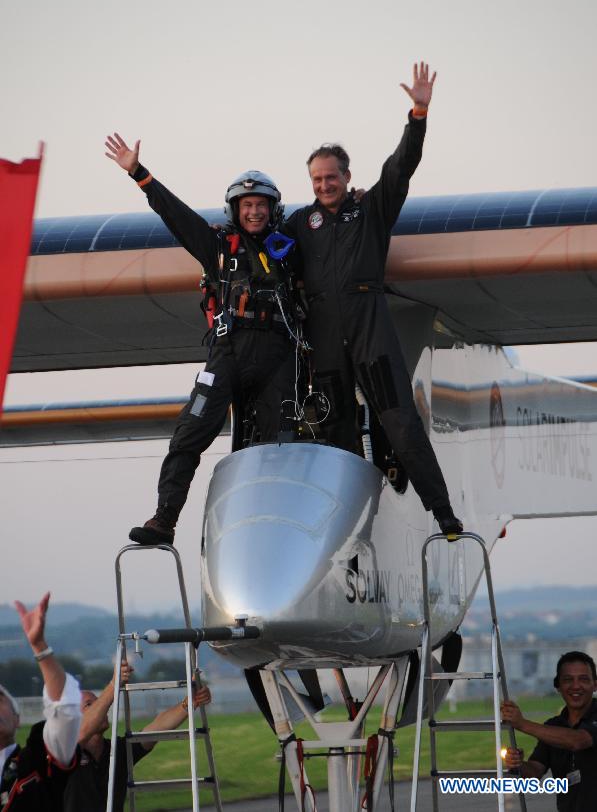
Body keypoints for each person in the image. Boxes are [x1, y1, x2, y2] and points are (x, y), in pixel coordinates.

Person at [282, 61, 462, 535]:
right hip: (324, 333)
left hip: (370, 326)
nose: (324, 185)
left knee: (401, 423)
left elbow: (401, 166)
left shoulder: (371, 210)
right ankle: (346, 526)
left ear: (346, 175)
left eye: (331, 177)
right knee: (334, 429)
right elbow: (258, 239)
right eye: (317, 180)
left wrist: (417, 114)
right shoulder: (301, 223)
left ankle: (442, 514)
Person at [105, 134, 300, 545]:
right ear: (235, 210)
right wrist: (139, 174)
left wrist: (352, 202)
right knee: (189, 435)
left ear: (272, 209)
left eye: (260, 205)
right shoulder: (216, 247)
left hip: (276, 357)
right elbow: (176, 216)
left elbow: (334, 230)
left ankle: (276, 533)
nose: (253, 212)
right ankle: (164, 520)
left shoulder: (293, 250)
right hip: (227, 354)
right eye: (246, 205)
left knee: (280, 446)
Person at [63, 660, 211, 812]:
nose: (102, 709)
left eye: (99, 703)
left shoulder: (117, 750)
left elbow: (156, 728)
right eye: (89, 705)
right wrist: (114, 684)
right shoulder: (65, 753)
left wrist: (189, 703)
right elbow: (82, 732)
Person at [0, 592, 81, 810]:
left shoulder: (37, 758)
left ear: (17, 719)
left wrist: (39, 647)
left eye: (0, 700)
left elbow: (65, 711)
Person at [502, 651, 597, 811]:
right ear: (558, 686)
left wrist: (522, 724)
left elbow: (578, 741)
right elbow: (534, 772)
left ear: (595, 684)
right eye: (568, 680)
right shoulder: (553, 726)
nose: (576, 686)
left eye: (583, 679)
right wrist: (517, 763)